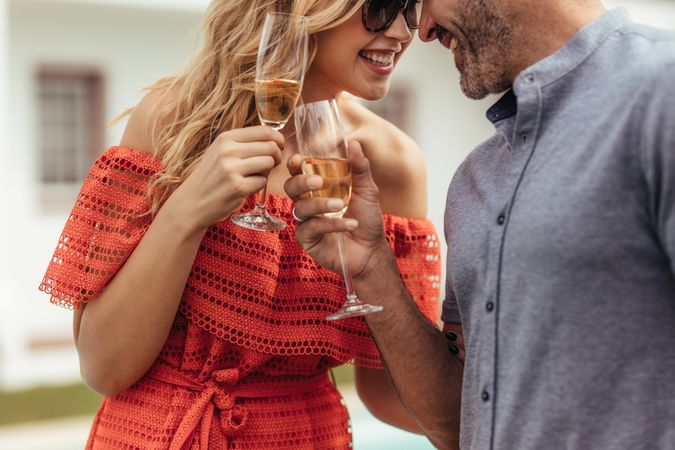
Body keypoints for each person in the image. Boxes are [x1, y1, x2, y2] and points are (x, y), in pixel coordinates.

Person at [38, 0, 443, 448]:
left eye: (410, 10)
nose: (403, 33)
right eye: (381, 7)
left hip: (306, 437)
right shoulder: (172, 121)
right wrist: (187, 212)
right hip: (156, 436)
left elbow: (391, 397)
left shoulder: (389, 165)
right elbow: (102, 367)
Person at [285, 0, 675, 449]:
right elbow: (456, 423)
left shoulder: (662, 92)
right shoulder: (476, 180)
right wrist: (373, 265)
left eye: (423, 3)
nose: (422, 31)